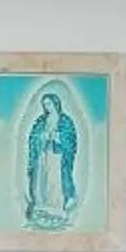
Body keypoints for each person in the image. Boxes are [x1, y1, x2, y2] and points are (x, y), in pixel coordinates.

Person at [22, 87, 81, 230]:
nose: (46, 107)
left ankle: (56, 208)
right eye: (44, 104)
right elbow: (33, 137)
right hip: (43, 154)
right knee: (42, 180)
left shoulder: (65, 121)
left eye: (49, 104)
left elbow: (71, 139)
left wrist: (58, 138)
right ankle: (42, 206)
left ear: (55, 104)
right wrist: (42, 137)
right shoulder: (41, 121)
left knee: (55, 181)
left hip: (57, 156)